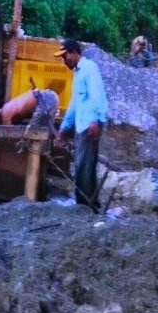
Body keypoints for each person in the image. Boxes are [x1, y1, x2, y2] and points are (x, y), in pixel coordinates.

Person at [55, 39, 108, 211]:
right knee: (85, 165)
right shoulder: (78, 73)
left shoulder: (89, 69)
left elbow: (96, 95)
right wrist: (64, 127)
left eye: (65, 57)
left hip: (89, 123)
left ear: (73, 52)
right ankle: (90, 203)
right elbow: (75, 103)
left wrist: (94, 120)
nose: (64, 61)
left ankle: (84, 205)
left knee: (82, 165)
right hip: (83, 123)